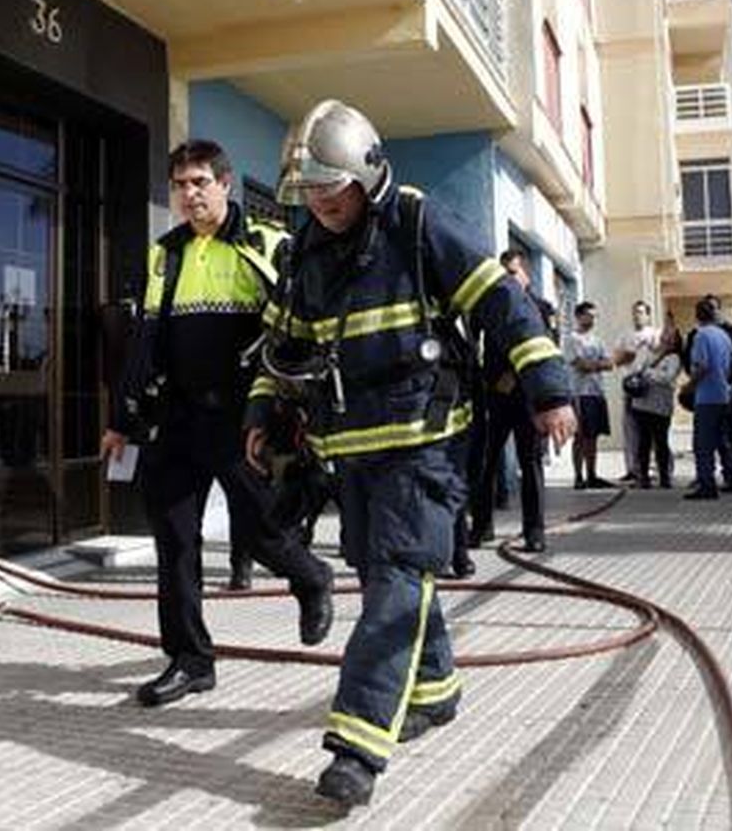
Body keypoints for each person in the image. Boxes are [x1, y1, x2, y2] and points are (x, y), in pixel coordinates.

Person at [244, 100, 575, 806]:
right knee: (386, 575)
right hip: (350, 449)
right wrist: (262, 410)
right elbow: (282, 342)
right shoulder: (306, 249)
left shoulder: (419, 223)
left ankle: (357, 745)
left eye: (332, 187)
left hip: (424, 444)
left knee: (396, 578)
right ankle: (436, 687)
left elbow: (503, 303)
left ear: (367, 174)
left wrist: (549, 390)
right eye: (309, 190)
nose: (321, 202)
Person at [100, 140, 335, 708]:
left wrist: (294, 408)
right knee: (174, 541)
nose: (190, 194)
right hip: (175, 419)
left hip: (242, 418)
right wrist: (121, 420)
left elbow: (299, 330)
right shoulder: (165, 254)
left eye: (200, 182)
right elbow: (145, 343)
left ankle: (310, 577)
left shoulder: (267, 243)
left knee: (258, 530)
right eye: (181, 185)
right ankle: (190, 660)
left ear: (226, 184)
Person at [468, 250, 559, 552]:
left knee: (530, 463)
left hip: (526, 398)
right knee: (485, 462)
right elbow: (473, 346)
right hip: (494, 395)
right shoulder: (488, 307)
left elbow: (546, 351)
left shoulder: (541, 308)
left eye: (513, 272)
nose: (507, 278)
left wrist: (515, 376)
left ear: (525, 275)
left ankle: (534, 531)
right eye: (503, 273)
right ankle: (481, 527)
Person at [683, 297, 732, 500]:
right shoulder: (723, 335)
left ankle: (706, 484)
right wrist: (727, 383)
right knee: (724, 440)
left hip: (706, 398)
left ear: (697, 316)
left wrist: (689, 386)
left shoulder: (701, 336)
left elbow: (701, 366)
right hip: (723, 396)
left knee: (703, 444)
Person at [564, 301, 614, 489]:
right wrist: (598, 364)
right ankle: (578, 476)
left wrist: (596, 365)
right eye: (589, 315)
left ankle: (592, 475)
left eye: (595, 316)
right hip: (579, 393)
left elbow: (609, 363)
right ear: (579, 316)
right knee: (580, 435)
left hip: (596, 392)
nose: (593, 319)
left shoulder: (597, 340)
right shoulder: (571, 339)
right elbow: (581, 365)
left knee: (593, 436)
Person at [612, 301, 662, 483]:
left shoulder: (655, 334)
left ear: (648, 315)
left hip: (648, 387)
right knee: (630, 429)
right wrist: (627, 355)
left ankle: (656, 468)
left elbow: (661, 354)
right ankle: (632, 469)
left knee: (651, 430)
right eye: (635, 312)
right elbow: (615, 359)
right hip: (630, 386)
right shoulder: (625, 335)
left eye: (641, 312)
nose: (637, 316)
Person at [629, 324, 682, 488]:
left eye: (670, 335)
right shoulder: (647, 352)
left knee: (661, 442)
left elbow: (667, 378)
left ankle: (664, 476)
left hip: (661, 407)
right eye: (665, 333)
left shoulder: (674, 358)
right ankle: (643, 476)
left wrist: (647, 373)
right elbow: (635, 369)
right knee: (643, 442)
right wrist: (647, 372)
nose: (666, 337)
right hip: (642, 404)